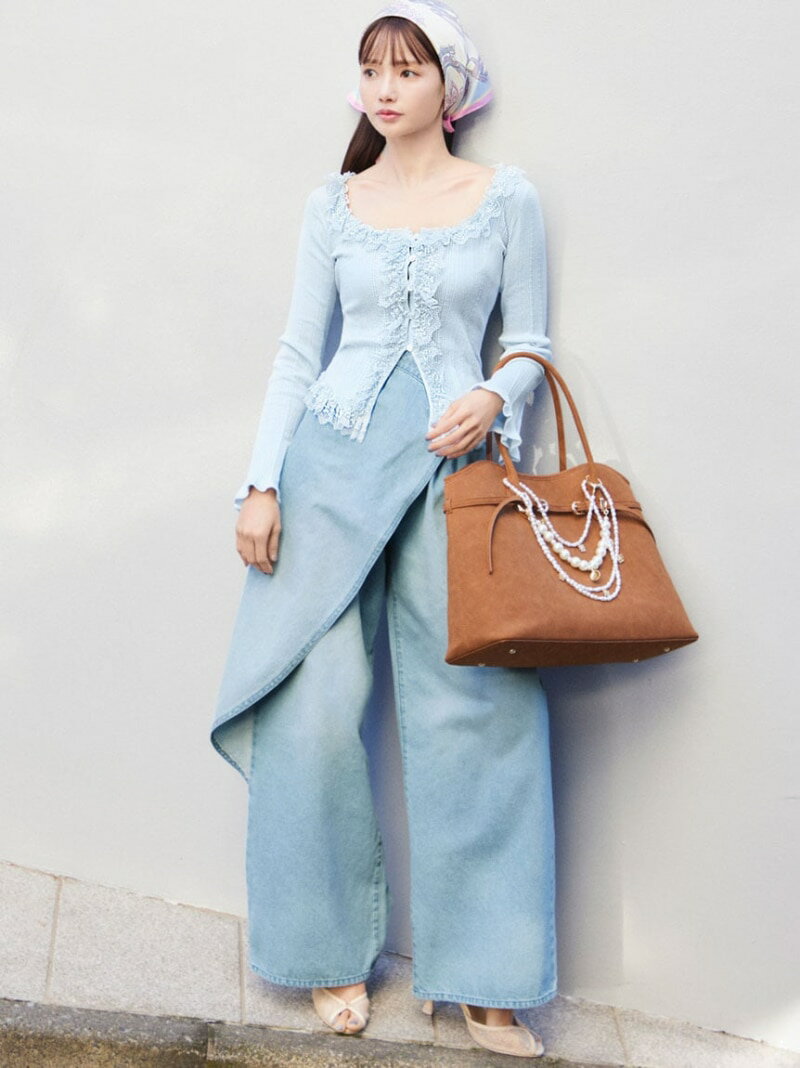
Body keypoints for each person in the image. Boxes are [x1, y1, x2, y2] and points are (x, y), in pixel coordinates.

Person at [210, 0, 556, 1058]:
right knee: (311, 710)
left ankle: (487, 980)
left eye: (407, 70)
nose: (385, 88)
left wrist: (492, 397)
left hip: (457, 477)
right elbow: (296, 353)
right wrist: (260, 484)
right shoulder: (334, 203)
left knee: (478, 709)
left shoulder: (505, 197)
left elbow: (533, 342)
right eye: (371, 70)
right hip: (327, 470)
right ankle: (326, 954)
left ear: (451, 86)